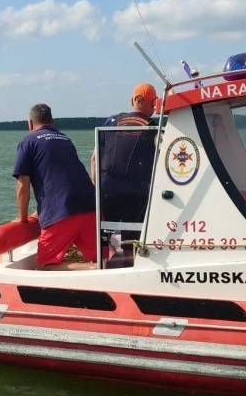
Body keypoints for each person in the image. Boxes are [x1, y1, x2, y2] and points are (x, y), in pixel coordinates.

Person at [12, 103, 99, 270]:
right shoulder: (65, 138)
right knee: (103, 258)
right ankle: (99, 267)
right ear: (52, 121)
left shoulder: (27, 141)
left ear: (30, 123)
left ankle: (91, 269)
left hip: (61, 211)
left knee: (44, 265)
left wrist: (23, 219)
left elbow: (22, 186)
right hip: (90, 205)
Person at [89, 82, 160, 248]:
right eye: (154, 103)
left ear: (132, 101)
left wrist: (97, 187)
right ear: (150, 102)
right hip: (137, 192)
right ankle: (130, 261)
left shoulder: (111, 121)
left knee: (103, 238)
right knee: (132, 240)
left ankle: (104, 262)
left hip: (107, 189)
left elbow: (94, 158)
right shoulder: (154, 127)